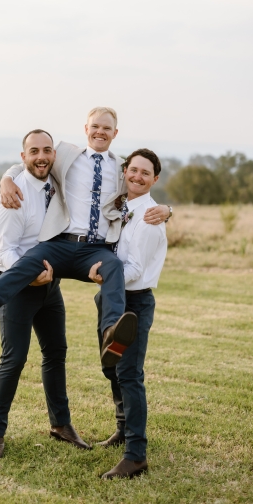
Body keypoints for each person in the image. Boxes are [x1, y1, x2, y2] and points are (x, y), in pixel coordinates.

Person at [0, 107, 170, 368]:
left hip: (95, 250)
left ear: (115, 133)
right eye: (95, 126)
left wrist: (168, 210)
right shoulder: (66, 155)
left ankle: (111, 335)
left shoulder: (122, 168)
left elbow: (139, 189)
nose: (100, 132)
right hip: (61, 244)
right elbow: (29, 162)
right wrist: (6, 179)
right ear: (86, 129)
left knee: (113, 266)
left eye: (107, 128)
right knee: (28, 262)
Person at [0, 129, 89, 460]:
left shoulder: (56, 182)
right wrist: (31, 277)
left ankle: (61, 425)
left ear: (53, 154)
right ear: (23, 156)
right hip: (15, 284)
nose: (41, 157)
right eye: (34, 151)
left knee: (56, 352)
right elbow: (6, 251)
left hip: (50, 285)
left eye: (47, 150)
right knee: (13, 359)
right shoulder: (13, 196)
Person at [88, 148, 167, 479]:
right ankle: (122, 428)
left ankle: (136, 455)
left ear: (154, 179)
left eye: (145, 173)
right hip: (110, 300)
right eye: (133, 170)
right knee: (111, 368)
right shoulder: (120, 206)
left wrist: (107, 275)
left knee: (130, 375)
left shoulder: (149, 219)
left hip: (134, 303)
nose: (137, 176)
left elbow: (135, 268)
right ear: (125, 172)